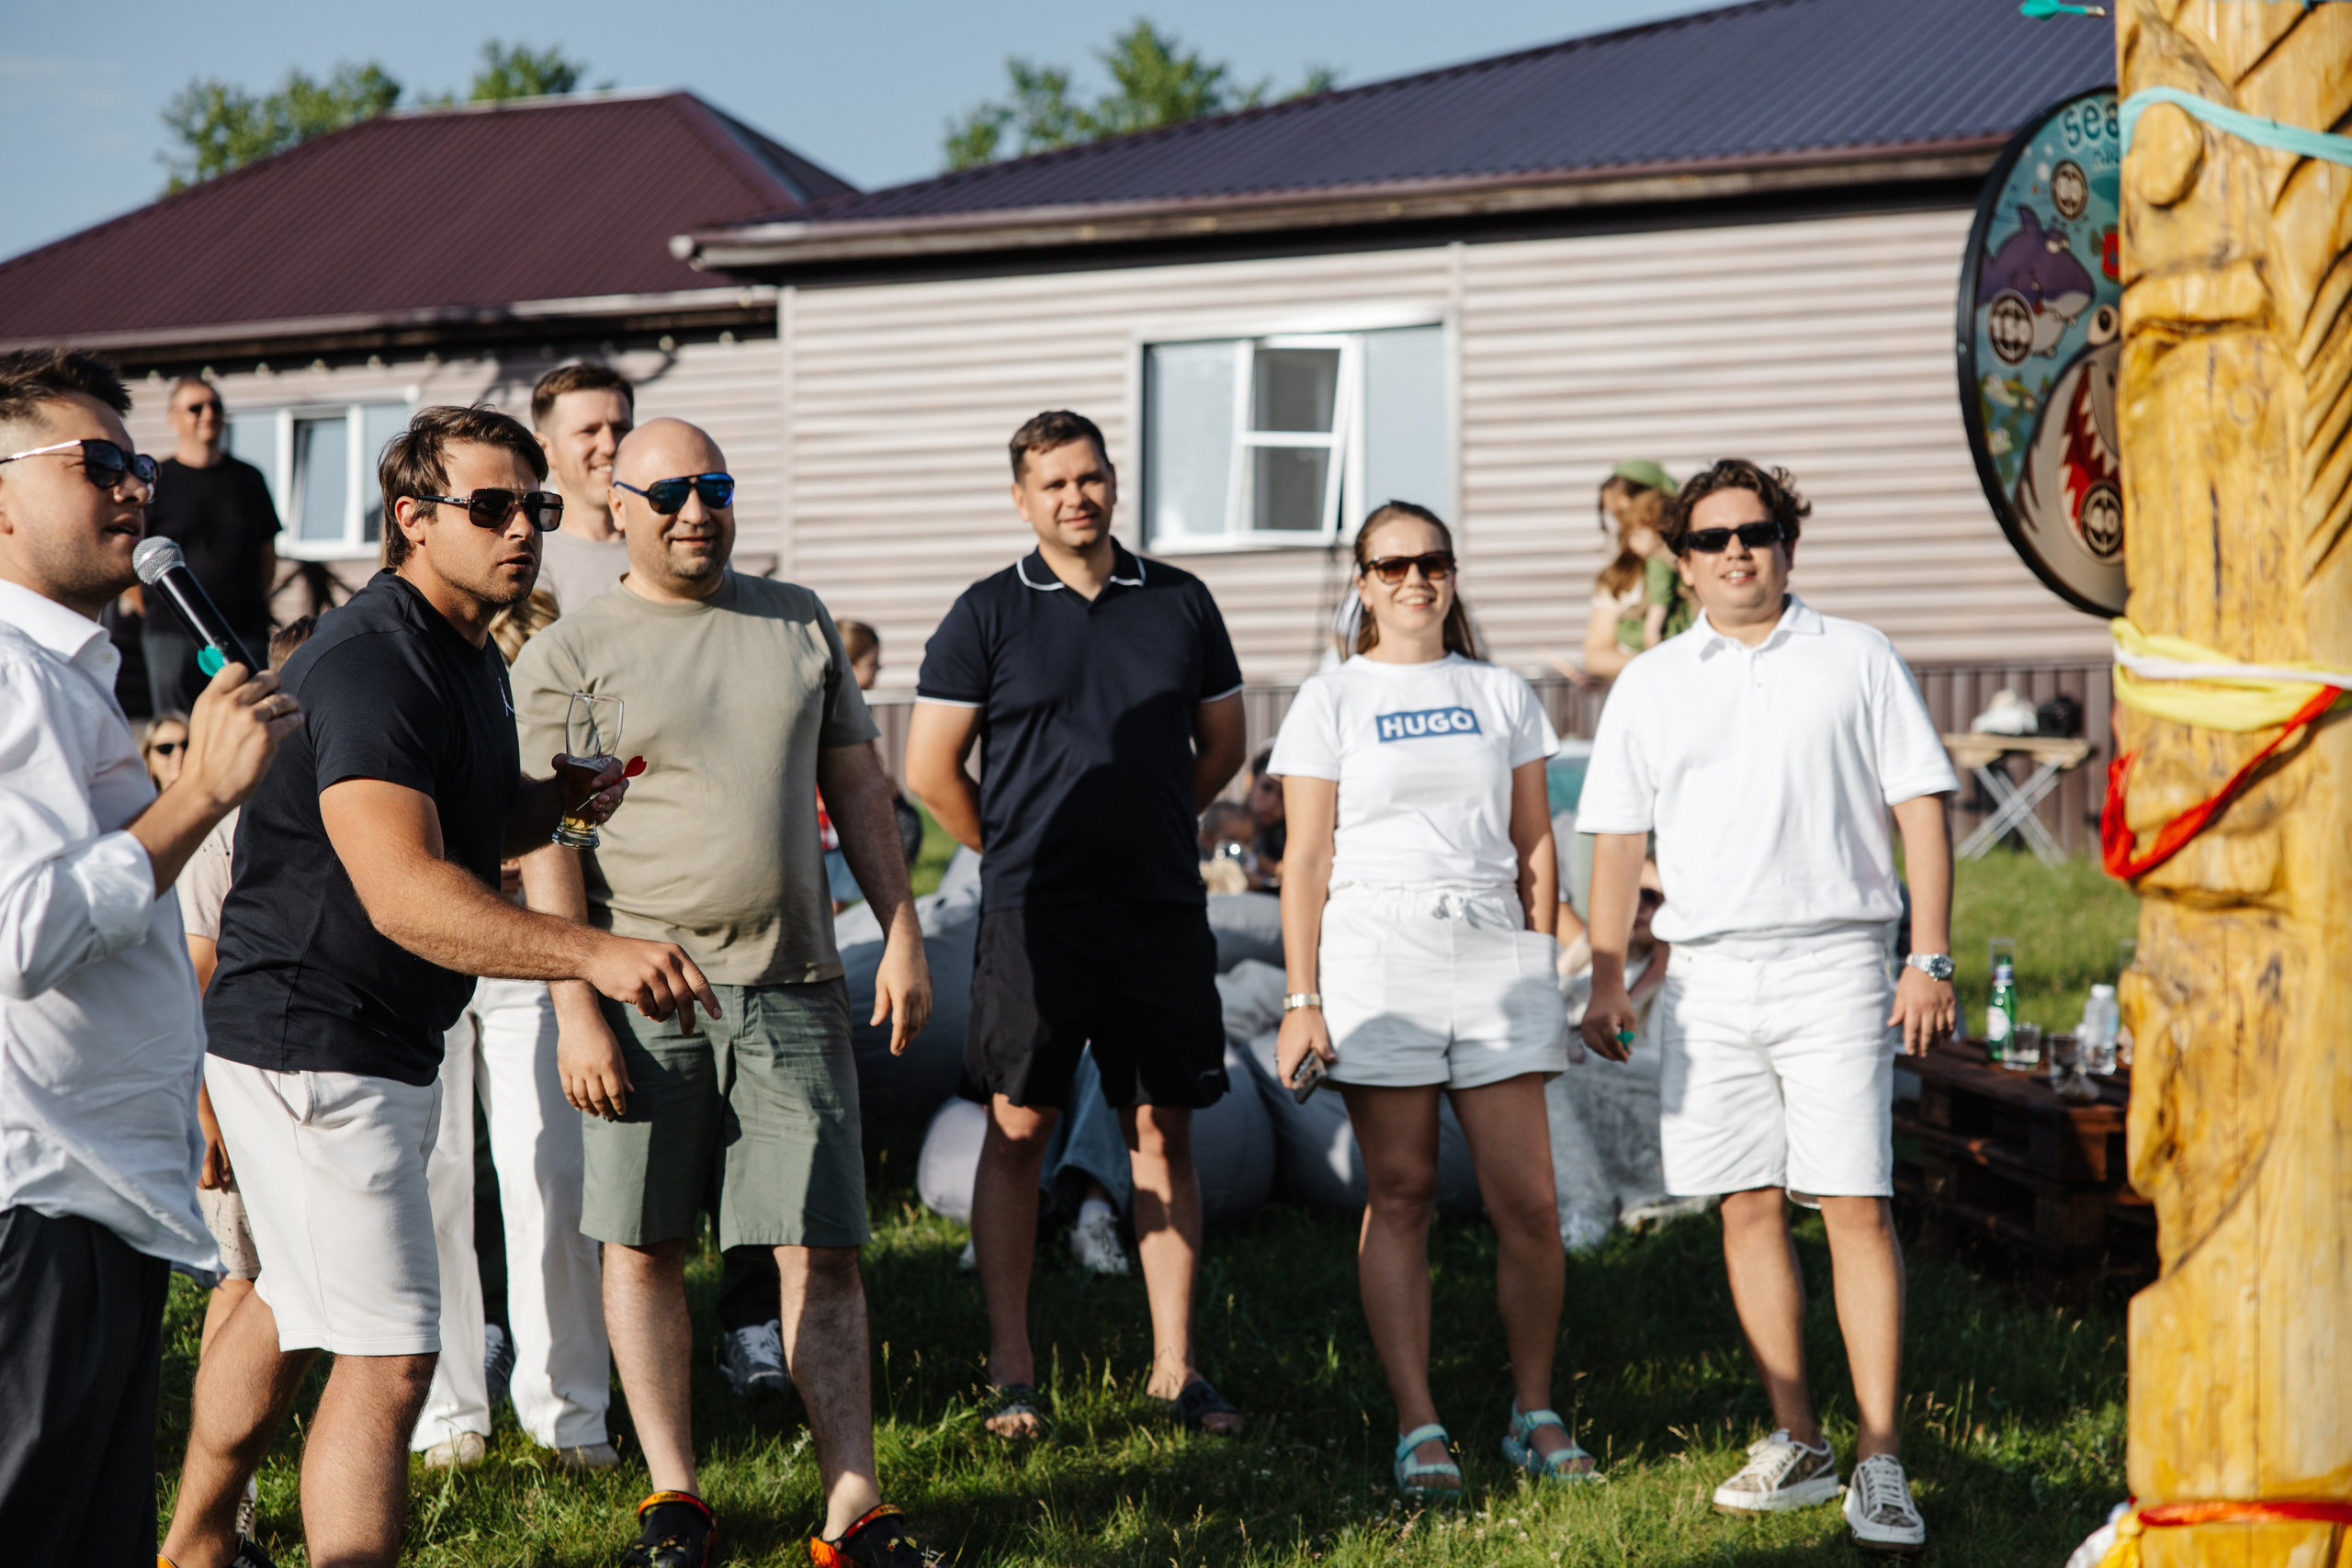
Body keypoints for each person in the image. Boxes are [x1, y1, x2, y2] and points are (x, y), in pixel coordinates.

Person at [164, 404, 716, 1568]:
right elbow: (405, 893)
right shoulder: (374, 662)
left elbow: (464, 824)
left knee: (288, 1303)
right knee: (393, 1358)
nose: (525, 529)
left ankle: (193, 1546)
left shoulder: (467, 653)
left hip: (346, 1041)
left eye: (537, 506)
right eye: (494, 507)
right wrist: (593, 954)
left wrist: (559, 803)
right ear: (413, 519)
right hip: (317, 1047)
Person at [512, 417, 939, 1568]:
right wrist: (576, 1007)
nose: (695, 511)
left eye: (714, 487)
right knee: (645, 1244)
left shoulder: (794, 619)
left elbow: (858, 784)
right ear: (616, 507)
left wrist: (901, 931)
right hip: (645, 995)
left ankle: (853, 1505)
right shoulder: (574, 654)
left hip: (795, 983)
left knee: (822, 1248)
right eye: (668, 495)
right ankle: (677, 1499)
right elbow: (554, 839)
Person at [1577, 457, 1958, 1553]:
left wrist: (1928, 958)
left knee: (1852, 1203)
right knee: (1743, 1205)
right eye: (1712, 539)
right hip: (1704, 977)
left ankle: (1880, 1459)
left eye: (1756, 532)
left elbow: (1921, 812)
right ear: (1683, 561)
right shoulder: (1651, 681)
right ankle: (1800, 1441)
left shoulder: (1857, 656)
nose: (1735, 551)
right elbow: (1617, 841)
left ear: (1787, 544)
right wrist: (1605, 977)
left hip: (1837, 963)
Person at [0, 347, 302, 1567]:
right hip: (41, 1194)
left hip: (99, 1191)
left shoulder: (65, 673)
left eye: (140, 467)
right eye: (100, 463)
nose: (137, 488)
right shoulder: (11, 675)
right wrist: (198, 797)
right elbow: (23, 933)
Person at [905, 408, 1249, 1442]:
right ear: (1022, 499)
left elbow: (1223, 745)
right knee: (1019, 1128)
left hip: (1158, 910)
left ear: (1113, 481)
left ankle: (1175, 1367)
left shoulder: (1180, 600)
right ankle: (1012, 1370)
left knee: (1162, 1128)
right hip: (1034, 918)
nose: (1076, 496)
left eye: (1090, 476)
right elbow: (928, 770)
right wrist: (1017, 851)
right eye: (1053, 483)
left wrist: (1151, 827)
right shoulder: (986, 612)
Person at [1270, 500, 1590, 1499]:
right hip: (1378, 946)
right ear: (1363, 583)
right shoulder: (1329, 698)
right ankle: (1419, 1422)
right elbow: (1305, 859)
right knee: (1402, 1190)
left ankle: (1533, 1411)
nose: (1416, 579)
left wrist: (1543, 954)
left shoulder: (1501, 693)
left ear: (1452, 574)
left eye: (1433, 561)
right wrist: (1301, 994)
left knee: (1529, 1201)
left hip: (1494, 945)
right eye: (1393, 564)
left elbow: (1534, 841)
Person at [410, 582, 616, 1475]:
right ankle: (448, 1410)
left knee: (554, 1174)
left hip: (532, 943)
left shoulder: (549, 695)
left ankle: (570, 1410)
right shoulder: (413, 672)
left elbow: (561, 841)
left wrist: (577, 1001)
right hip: (430, 938)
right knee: (437, 1175)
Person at [176, 615, 314, 1562]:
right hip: (237, 1081)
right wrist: (207, 1113)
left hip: (328, 1077)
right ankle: (226, 1515)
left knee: (298, 1294)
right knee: (245, 1284)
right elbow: (196, 969)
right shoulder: (231, 814)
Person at [136, 375, 280, 715]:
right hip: (172, 632)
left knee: (248, 721)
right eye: (195, 408)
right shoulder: (156, 482)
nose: (208, 414)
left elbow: (267, 555)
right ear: (174, 418)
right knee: (177, 729)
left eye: (215, 406)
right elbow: (134, 555)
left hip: (242, 629)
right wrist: (156, 609)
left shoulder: (248, 478)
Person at [530, 363, 634, 615]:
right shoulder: (528, 561)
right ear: (544, 450)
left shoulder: (676, 541)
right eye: (588, 431)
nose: (610, 446)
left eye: (620, 429)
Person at [1580, 461, 1679, 682]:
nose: (1622, 525)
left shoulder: (1692, 562)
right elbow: (1595, 656)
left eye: (1625, 512)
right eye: (1614, 516)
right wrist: (1656, 667)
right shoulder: (1619, 577)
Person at [1245, 748, 1285, 887]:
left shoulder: (1287, 843)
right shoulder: (1223, 821)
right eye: (1267, 787)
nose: (1273, 801)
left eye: (1283, 794)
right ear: (1250, 782)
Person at [142, 709, 191, 791]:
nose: (179, 753)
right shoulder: (138, 798)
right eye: (165, 748)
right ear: (148, 761)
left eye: (186, 745)